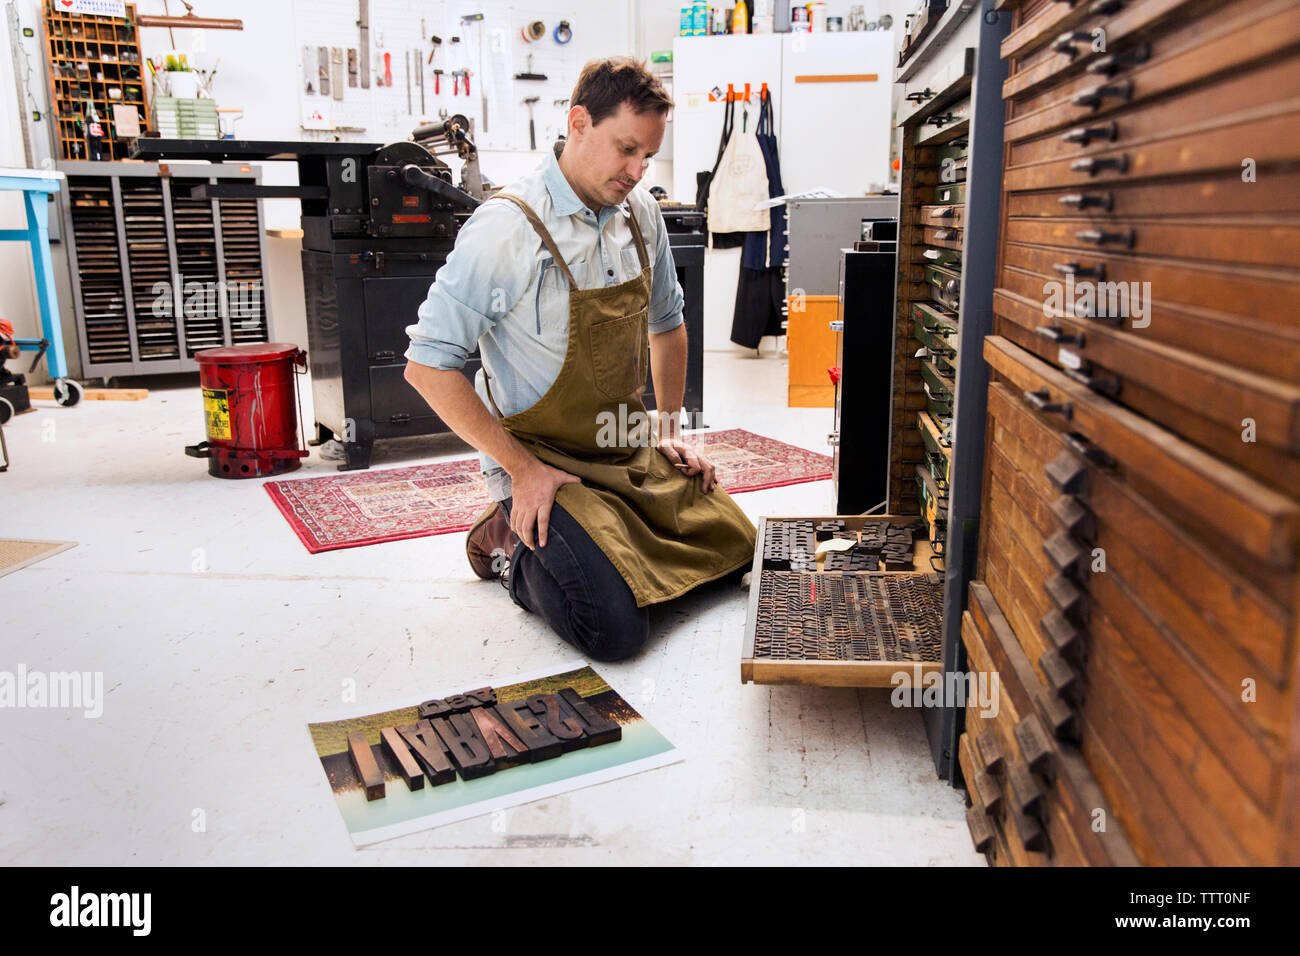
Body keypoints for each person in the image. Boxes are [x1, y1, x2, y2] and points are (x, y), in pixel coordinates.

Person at [404, 57, 756, 662]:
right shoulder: (506, 228)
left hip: (624, 446)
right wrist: (520, 471)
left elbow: (668, 325)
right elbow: (428, 366)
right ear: (579, 123)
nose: (637, 171)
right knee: (613, 631)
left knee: (745, 550)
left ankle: (603, 538)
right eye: (626, 150)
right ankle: (509, 541)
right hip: (543, 463)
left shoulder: (642, 215)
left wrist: (669, 430)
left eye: (648, 156)